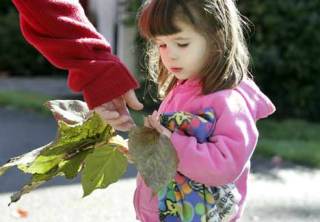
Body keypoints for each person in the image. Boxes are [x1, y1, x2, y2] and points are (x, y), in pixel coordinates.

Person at [135, 0, 276, 221]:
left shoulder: (229, 101)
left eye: (181, 43)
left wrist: (170, 143)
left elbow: (224, 165)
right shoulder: (184, 87)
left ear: (216, 38)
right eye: (161, 44)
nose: (169, 54)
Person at [11, 0, 143, 131]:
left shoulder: (164, 96)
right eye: (162, 44)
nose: (164, 53)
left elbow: (163, 125)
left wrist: (158, 127)